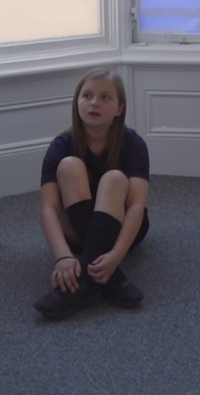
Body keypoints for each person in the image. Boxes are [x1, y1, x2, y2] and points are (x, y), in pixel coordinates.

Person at [33, 69, 150, 320]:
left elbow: (136, 207)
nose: (94, 102)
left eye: (105, 97)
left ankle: (83, 285)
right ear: (77, 103)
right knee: (69, 165)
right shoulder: (61, 145)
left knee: (115, 178)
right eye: (87, 96)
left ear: (120, 109)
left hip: (124, 232)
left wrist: (117, 255)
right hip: (75, 233)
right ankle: (111, 280)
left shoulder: (133, 144)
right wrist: (63, 256)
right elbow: (49, 209)